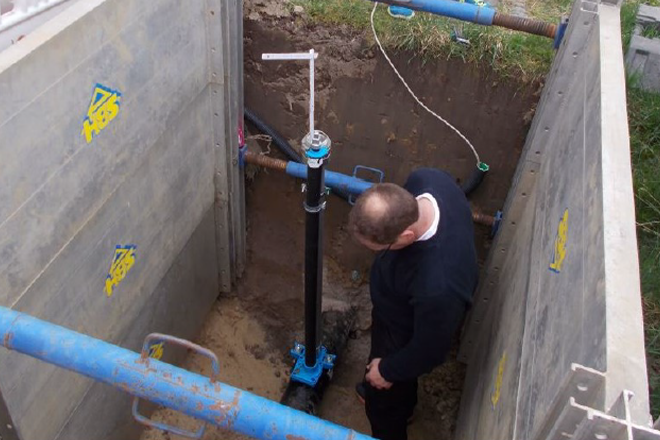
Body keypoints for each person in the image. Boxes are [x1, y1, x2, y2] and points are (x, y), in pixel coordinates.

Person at [348, 168, 479, 440]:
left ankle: (391, 415)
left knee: (383, 407)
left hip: (404, 331)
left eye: (380, 249)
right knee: (390, 381)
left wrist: (387, 370)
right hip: (394, 307)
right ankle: (404, 405)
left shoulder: (438, 286)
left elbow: (430, 350)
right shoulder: (429, 180)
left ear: (407, 236)